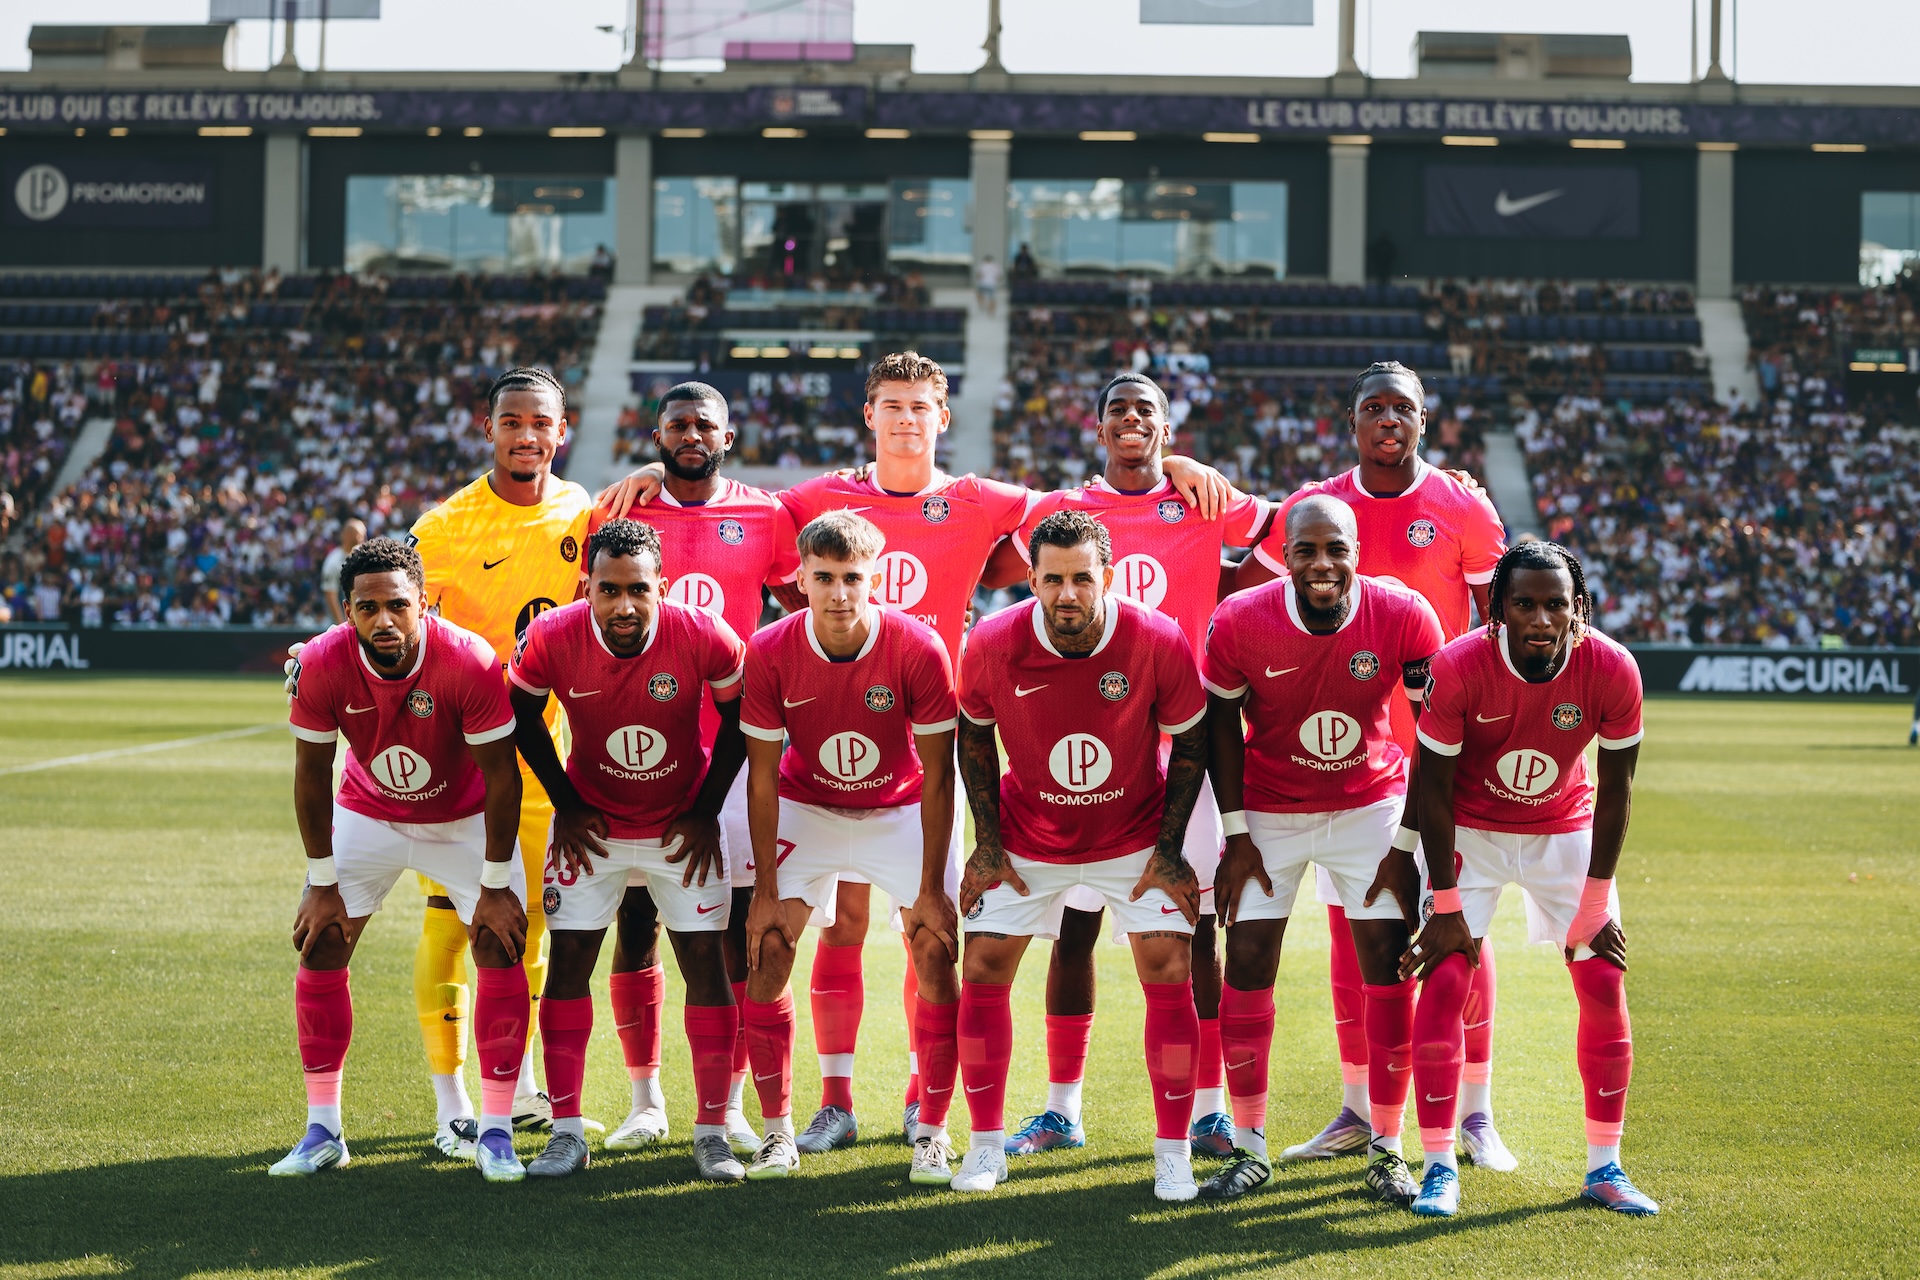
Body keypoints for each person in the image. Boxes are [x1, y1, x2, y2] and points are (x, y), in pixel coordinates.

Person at [599, 351, 1231, 1151]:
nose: (904, 419)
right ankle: (828, 1101)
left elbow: (1086, 509)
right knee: (837, 926)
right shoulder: (816, 500)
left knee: (928, 930)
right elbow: (730, 500)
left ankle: (919, 1104)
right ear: (869, 415)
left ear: (941, 416)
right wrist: (653, 474)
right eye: (889, 405)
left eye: (919, 406)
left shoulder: (980, 500)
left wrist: (1165, 461)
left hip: (926, 752)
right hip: (824, 746)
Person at [1237, 361, 1513, 1170]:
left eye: (1403, 407)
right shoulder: (1317, 506)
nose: (1388, 419)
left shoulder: (1461, 503)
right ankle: (1360, 1107)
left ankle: (1474, 1112)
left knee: (1461, 928)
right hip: (1347, 771)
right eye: (1373, 407)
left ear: (1424, 420)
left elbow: (1497, 629)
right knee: (1351, 938)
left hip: (1442, 759)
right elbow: (1250, 599)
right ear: (1350, 421)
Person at [997, 373, 1273, 1161]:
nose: (1131, 420)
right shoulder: (1065, 513)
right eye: (1118, 409)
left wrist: (1223, 566)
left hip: (1183, 748)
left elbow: (1286, 538)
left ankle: (1211, 1109)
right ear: (1097, 425)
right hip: (1088, 754)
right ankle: (1060, 1109)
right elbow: (997, 575)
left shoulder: (1203, 500)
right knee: (1073, 932)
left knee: (1197, 933)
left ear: (1165, 425)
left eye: (1145, 410)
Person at [952, 510, 1209, 1201]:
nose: (1068, 594)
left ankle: (1173, 1150)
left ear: (1110, 577)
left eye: (1082, 579)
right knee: (982, 963)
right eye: (1053, 579)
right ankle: (983, 1146)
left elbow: (1190, 744)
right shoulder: (995, 642)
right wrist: (986, 843)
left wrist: (1170, 850)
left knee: (1168, 964)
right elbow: (974, 740)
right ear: (1031, 580)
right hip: (1028, 834)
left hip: (1134, 836)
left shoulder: (1156, 638)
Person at [1198, 496, 1445, 1205]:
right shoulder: (1242, 620)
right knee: (1245, 962)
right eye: (1305, 550)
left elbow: (1434, 736)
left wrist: (1404, 844)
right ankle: (1249, 1149)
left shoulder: (1403, 614)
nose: (1322, 565)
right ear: (1285, 556)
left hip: (1370, 807)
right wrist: (1238, 835)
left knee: (1387, 965)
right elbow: (1219, 729)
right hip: (1271, 809)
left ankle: (1386, 1149)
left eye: (1335, 549)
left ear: (1358, 551)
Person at [1402, 541, 1656, 1217]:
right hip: (1472, 833)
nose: (1541, 619)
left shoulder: (1612, 668)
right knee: (1448, 973)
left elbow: (1618, 791)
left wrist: (1596, 902)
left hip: (1564, 831)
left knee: (1602, 976)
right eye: (1524, 604)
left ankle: (1605, 1167)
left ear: (1582, 610)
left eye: (1556, 604)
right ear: (1497, 611)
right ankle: (1436, 1168)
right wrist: (1446, 902)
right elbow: (1432, 786)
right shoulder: (1457, 667)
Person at [274, 537, 532, 1182]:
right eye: (367, 608)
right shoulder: (326, 663)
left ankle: (496, 1132)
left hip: (463, 820)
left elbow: (503, 778)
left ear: (424, 604)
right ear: (346, 611)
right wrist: (321, 880)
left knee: (501, 946)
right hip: (371, 812)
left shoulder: (467, 660)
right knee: (323, 941)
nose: (383, 621)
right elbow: (310, 774)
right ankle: (323, 1129)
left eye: (397, 605)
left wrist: (497, 884)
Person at [589, 381, 800, 1157]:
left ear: (729, 432)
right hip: (634, 750)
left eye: (703, 423)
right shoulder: (622, 511)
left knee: (736, 931)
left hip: (735, 754)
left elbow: (803, 601)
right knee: (635, 921)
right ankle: (646, 1100)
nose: (689, 434)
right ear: (655, 432)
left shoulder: (768, 515)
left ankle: (730, 1103)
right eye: (676, 423)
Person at [507, 518, 750, 1181]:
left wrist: (705, 811)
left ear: (661, 588)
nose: (623, 605)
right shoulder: (553, 636)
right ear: (586, 587)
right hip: (593, 829)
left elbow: (741, 720)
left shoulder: (701, 632)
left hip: (681, 827)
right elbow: (521, 717)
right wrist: (566, 801)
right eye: (608, 590)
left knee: (705, 961)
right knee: (568, 964)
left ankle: (711, 1132)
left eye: (638, 590)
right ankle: (564, 1133)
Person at [733, 511, 962, 1185]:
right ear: (800, 577)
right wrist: (765, 892)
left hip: (899, 808)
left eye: (852, 578)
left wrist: (929, 888)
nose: (838, 593)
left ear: (876, 578)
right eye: (824, 577)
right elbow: (764, 777)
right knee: (769, 946)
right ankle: (777, 1133)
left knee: (934, 950)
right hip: (810, 807)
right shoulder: (772, 649)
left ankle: (934, 1132)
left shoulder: (917, 647)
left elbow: (940, 775)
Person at [404, 366, 595, 1152]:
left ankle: (518, 1086)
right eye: (511, 421)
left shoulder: (585, 508)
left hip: (547, 752)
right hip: (464, 761)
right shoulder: (445, 527)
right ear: (489, 429)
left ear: (562, 428)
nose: (526, 435)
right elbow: (386, 609)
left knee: (537, 921)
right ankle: (452, 1100)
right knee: (454, 920)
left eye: (539, 422)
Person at [321, 519, 367, 626]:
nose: (363, 538)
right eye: (359, 535)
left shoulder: (364, 556)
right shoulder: (334, 561)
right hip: (343, 622)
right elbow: (330, 595)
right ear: (347, 535)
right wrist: (342, 624)